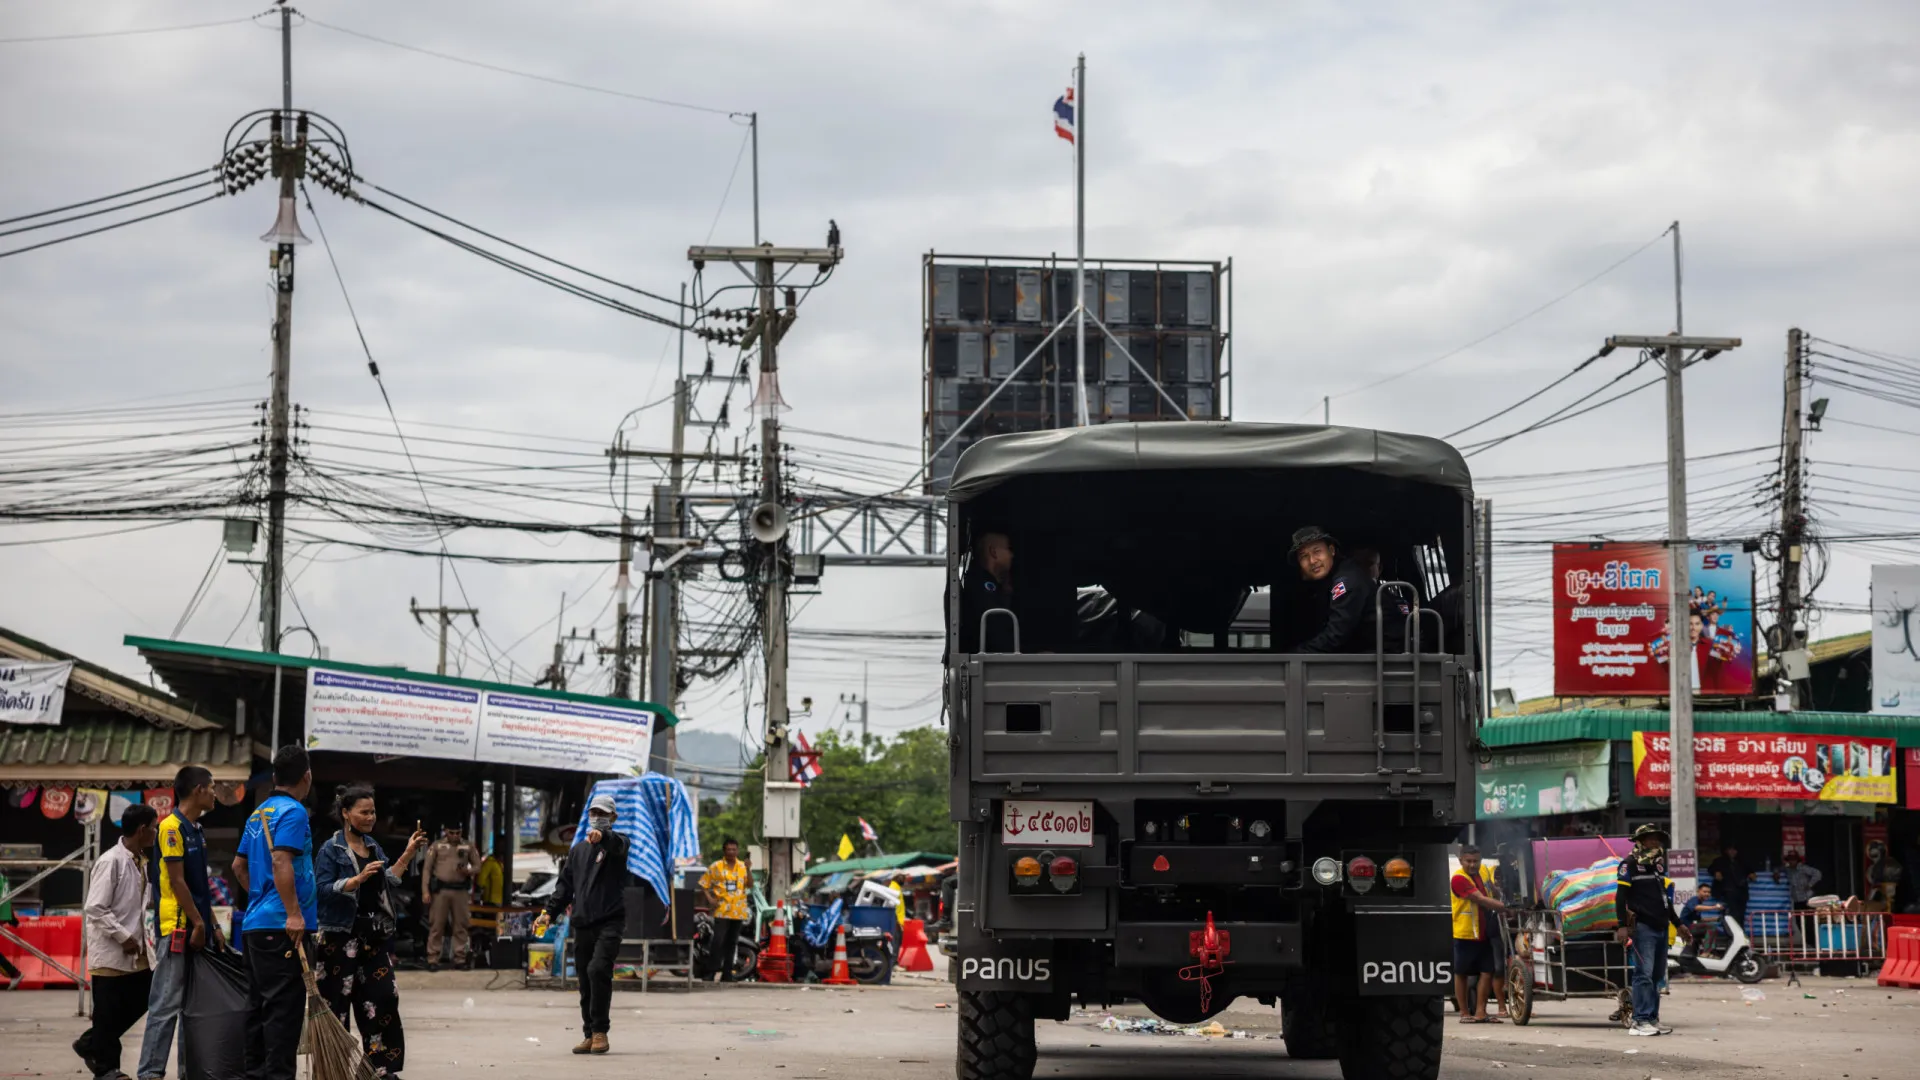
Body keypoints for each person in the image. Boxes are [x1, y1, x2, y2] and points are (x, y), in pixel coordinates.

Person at [314, 785, 428, 1079]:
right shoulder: (331, 849)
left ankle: (377, 1070)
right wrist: (356, 880)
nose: (370, 817)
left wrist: (409, 852)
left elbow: (388, 880)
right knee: (335, 1008)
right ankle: (333, 1070)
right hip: (339, 939)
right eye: (364, 812)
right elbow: (321, 890)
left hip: (373, 937)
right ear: (345, 813)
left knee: (383, 1000)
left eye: (373, 811)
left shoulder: (373, 846)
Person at [232, 745, 319, 1080]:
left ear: (274, 777)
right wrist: (292, 912)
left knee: (257, 1009)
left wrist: (261, 895)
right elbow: (282, 859)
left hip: (255, 926)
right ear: (306, 776)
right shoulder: (293, 812)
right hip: (282, 927)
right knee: (283, 1015)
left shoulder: (259, 813)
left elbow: (239, 866)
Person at [533, 793, 632, 1055]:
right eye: (594, 813)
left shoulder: (619, 844)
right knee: (585, 978)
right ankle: (589, 1033)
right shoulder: (577, 851)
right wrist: (548, 914)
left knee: (599, 969)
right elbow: (564, 887)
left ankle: (601, 1032)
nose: (597, 818)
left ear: (613, 817)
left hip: (610, 921)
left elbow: (617, 845)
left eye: (603, 814)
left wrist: (605, 837)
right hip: (583, 924)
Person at [136, 767, 219, 1080]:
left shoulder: (196, 829)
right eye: (211, 788)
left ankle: (189, 1072)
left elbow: (200, 887)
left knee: (192, 1008)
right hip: (178, 930)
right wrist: (198, 924)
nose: (214, 794)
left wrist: (213, 924)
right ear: (198, 790)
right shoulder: (170, 828)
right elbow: (177, 881)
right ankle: (150, 1073)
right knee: (166, 1004)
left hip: (198, 927)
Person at [75, 804, 159, 1080]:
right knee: (108, 1010)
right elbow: (95, 907)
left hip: (136, 949)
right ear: (142, 829)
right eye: (154, 827)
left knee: (150, 995)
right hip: (112, 949)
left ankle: (91, 1042)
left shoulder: (141, 861)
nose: (156, 832)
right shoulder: (111, 861)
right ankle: (106, 1069)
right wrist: (123, 937)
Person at [1615, 823, 1691, 1036]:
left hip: (1661, 927)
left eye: (1657, 839)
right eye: (1650, 839)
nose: (1655, 842)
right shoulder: (1628, 865)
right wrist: (1622, 925)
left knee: (1658, 976)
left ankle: (1652, 1018)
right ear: (1639, 842)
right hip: (1643, 928)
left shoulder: (1657, 867)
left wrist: (1679, 924)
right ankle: (1639, 1021)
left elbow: (1664, 900)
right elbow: (1620, 898)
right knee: (1644, 974)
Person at [1287, 526, 1407, 654]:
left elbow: (1336, 634)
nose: (1312, 561)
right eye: (1304, 556)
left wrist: (1295, 655)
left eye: (1317, 551)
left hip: (1386, 659)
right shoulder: (1332, 579)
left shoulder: (1346, 580)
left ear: (1331, 551)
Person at [1449, 845, 1508, 1024]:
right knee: (1461, 973)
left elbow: (1492, 887)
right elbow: (1479, 899)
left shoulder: (1482, 872)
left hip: (1484, 932)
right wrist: (1503, 906)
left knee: (1488, 971)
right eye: (1468, 861)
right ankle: (1465, 1013)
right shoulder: (1458, 879)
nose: (1472, 865)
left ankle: (1481, 1012)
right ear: (1461, 861)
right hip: (1465, 933)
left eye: (1476, 861)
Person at [422, 822, 477, 971]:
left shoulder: (468, 846)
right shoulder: (437, 846)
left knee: (461, 925)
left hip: (460, 890)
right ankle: (433, 958)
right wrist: (425, 891)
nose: (454, 836)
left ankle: (460, 958)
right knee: (437, 925)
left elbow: (478, 865)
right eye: (451, 833)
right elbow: (427, 869)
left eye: (457, 833)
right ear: (446, 831)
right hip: (441, 891)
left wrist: (469, 871)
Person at [700, 838, 751, 982]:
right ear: (724, 851)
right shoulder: (716, 866)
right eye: (729, 849)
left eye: (734, 849)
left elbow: (750, 885)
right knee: (718, 942)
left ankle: (727, 973)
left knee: (732, 942)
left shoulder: (742, 866)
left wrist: (748, 869)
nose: (731, 852)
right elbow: (704, 883)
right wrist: (710, 899)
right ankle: (711, 972)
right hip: (722, 910)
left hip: (738, 910)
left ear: (738, 850)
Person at [1680, 882, 1728, 957]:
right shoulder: (1694, 900)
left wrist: (1715, 919)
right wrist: (1714, 907)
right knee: (1711, 927)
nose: (1707, 894)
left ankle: (1713, 953)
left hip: (1690, 927)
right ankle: (1706, 952)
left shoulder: (1699, 902)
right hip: (1685, 928)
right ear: (1698, 891)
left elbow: (1700, 920)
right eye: (1704, 892)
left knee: (1713, 930)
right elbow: (1696, 907)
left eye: (1708, 892)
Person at [1708, 845, 1751, 925]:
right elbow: (1710, 869)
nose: (1732, 852)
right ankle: (1733, 933)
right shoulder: (1719, 861)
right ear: (1726, 851)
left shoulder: (1741, 861)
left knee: (1741, 913)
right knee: (1733, 912)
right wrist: (1716, 872)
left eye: (1734, 850)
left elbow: (1750, 871)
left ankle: (1741, 932)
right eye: (1730, 850)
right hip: (1728, 890)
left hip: (1742, 891)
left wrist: (1751, 875)